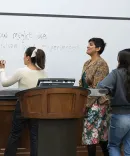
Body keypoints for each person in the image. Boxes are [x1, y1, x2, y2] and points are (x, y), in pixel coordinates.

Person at [0, 47, 47, 156]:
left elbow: (5, 83)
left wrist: (2, 69)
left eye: (24, 55)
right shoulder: (44, 73)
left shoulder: (21, 71)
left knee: (15, 134)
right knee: (35, 136)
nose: (23, 57)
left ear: (28, 58)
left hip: (22, 106)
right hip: (37, 108)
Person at [79, 38, 110, 156]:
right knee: (92, 136)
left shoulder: (102, 64)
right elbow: (82, 83)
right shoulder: (86, 63)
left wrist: (86, 105)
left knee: (95, 136)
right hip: (87, 102)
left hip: (97, 104)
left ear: (98, 48)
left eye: (90, 45)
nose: (87, 46)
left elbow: (97, 89)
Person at [97, 49, 130, 156]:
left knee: (113, 145)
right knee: (128, 147)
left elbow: (101, 87)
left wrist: (111, 91)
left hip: (120, 115)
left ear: (121, 60)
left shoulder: (116, 73)